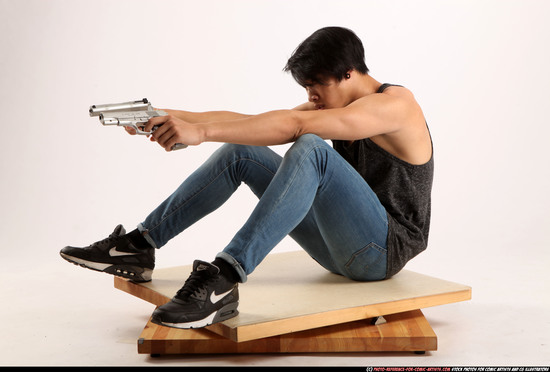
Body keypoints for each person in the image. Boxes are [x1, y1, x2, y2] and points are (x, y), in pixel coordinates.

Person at [60, 26, 433, 329]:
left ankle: (225, 278)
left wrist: (201, 134)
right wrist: (165, 115)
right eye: (306, 88)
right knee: (241, 149)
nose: (311, 96)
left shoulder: (395, 106)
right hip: (338, 245)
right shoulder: (337, 103)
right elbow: (252, 123)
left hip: (382, 253)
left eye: (316, 86)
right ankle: (138, 245)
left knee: (311, 149)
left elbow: (297, 126)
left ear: (349, 73)